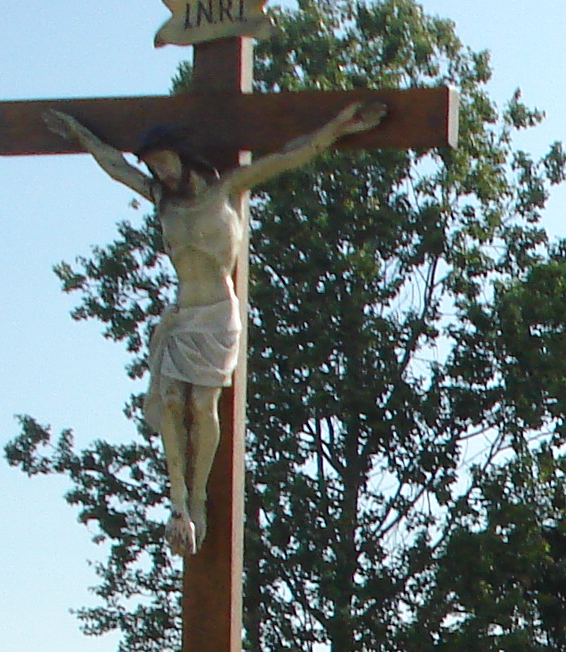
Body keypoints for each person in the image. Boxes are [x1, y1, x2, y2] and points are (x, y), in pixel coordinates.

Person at [43, 99, 387, 555]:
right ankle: (178, 501)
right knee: (169, 400)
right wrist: (79, 134)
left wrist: (340, 126)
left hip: (218, 314)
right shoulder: (161, 198)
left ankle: (199, 498)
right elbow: (113, 164)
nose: (160, 174)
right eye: (153, 167)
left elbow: (290, 155)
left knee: (202, 405)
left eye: (164, 163)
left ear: (183, 158)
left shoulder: (225, 190)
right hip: (182, 312)